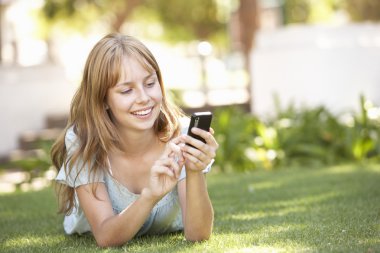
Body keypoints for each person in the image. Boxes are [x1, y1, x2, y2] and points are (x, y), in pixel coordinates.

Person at [51, 33, 219, 247]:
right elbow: (105, 237)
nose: (143, 98)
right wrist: (149, 196)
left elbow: (198, 235)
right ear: (103, 100)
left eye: (150, 83)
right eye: (127, 90)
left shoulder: (181, 136)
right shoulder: (83, 141)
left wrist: (194, 170)